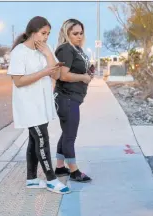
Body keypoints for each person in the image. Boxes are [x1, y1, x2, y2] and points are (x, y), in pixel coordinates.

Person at [7, 16, 70, 194]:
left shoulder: (46, 49)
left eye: (48, 34)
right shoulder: (19, 52)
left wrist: (49, 55)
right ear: (32, 32)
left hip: (42, 103)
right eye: (43, 33)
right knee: (42, 139)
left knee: (34, 140)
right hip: (28, 105)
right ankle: (51, 180)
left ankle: (32, 179)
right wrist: (43, 72)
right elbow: (18, 81)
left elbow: (56, 76)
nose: (45, 37)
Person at [54, 19, 93, 182]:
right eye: (75, 33)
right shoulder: (65, 49)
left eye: (81, 33)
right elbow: (63, 75)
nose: (79, 36)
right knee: (70, 135)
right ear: (66, 34)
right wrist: (84, 77)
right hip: (66, 98)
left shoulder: (76, 49)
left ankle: (59, 167)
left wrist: (88, 73)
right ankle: (74, 171)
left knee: (66, 133)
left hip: (72, 98)